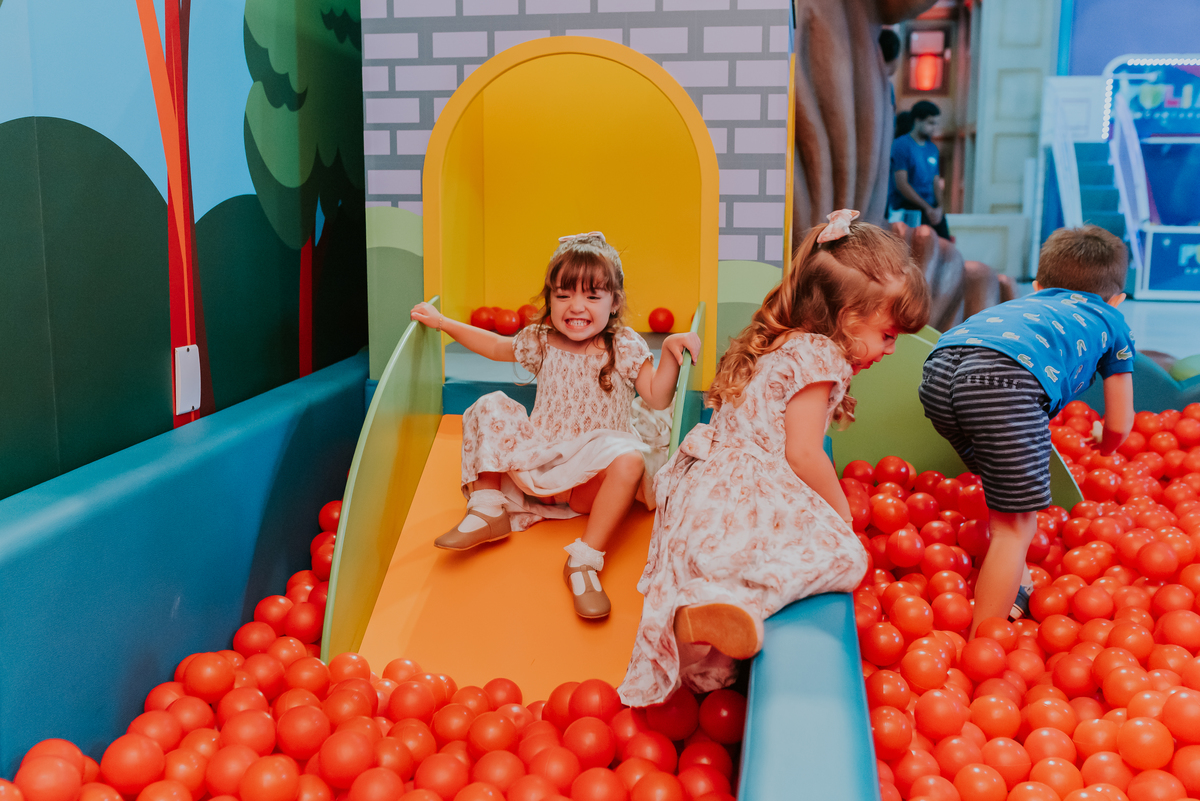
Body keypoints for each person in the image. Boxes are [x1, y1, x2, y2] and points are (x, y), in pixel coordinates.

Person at [618, 210, 931, 706]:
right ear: (847, 318)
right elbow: (803, 453)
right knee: (846, 556)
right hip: (746, 484)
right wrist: (842, 515)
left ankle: (706, 636)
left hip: (703, 482)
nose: (891, 349)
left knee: (736, 568)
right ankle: (726, 603)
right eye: (888, 335)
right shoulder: (822, 358)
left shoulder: (783, 342)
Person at [410, 232, 700, 620]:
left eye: (592, 296)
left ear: (614, 303)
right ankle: (488, 508)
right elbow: (494, 346)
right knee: (489, 404)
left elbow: (658, 397)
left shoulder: (623, 345)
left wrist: (670, 352)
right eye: (564, 295)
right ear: (550, 299)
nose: (576, 307)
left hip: (586, 485)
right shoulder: (542, 340)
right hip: (537, 467)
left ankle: (584, 561)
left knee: (631, 459)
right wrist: (444, 323)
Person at [919, 225, 1136, 636]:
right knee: (1016, 528)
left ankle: (1014, 582)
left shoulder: (1023, 307)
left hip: (938, 371)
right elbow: (1121, 423)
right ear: (1117, 300)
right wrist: (1106, 445)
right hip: (1006, 383)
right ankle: (984, 640)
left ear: (1038, 286)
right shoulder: (1111, 319)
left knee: (999, 484)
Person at [891, 100, 950, 239]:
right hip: (910, 206)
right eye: (930, 123)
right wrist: (927, 208)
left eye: (936, 123)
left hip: (931, 206)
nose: (934, 128)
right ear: (918, 121)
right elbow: (902, 184)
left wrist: (939, 207)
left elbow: (936, 181)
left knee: (946, 244)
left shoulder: (932, 148)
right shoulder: (901, 145)